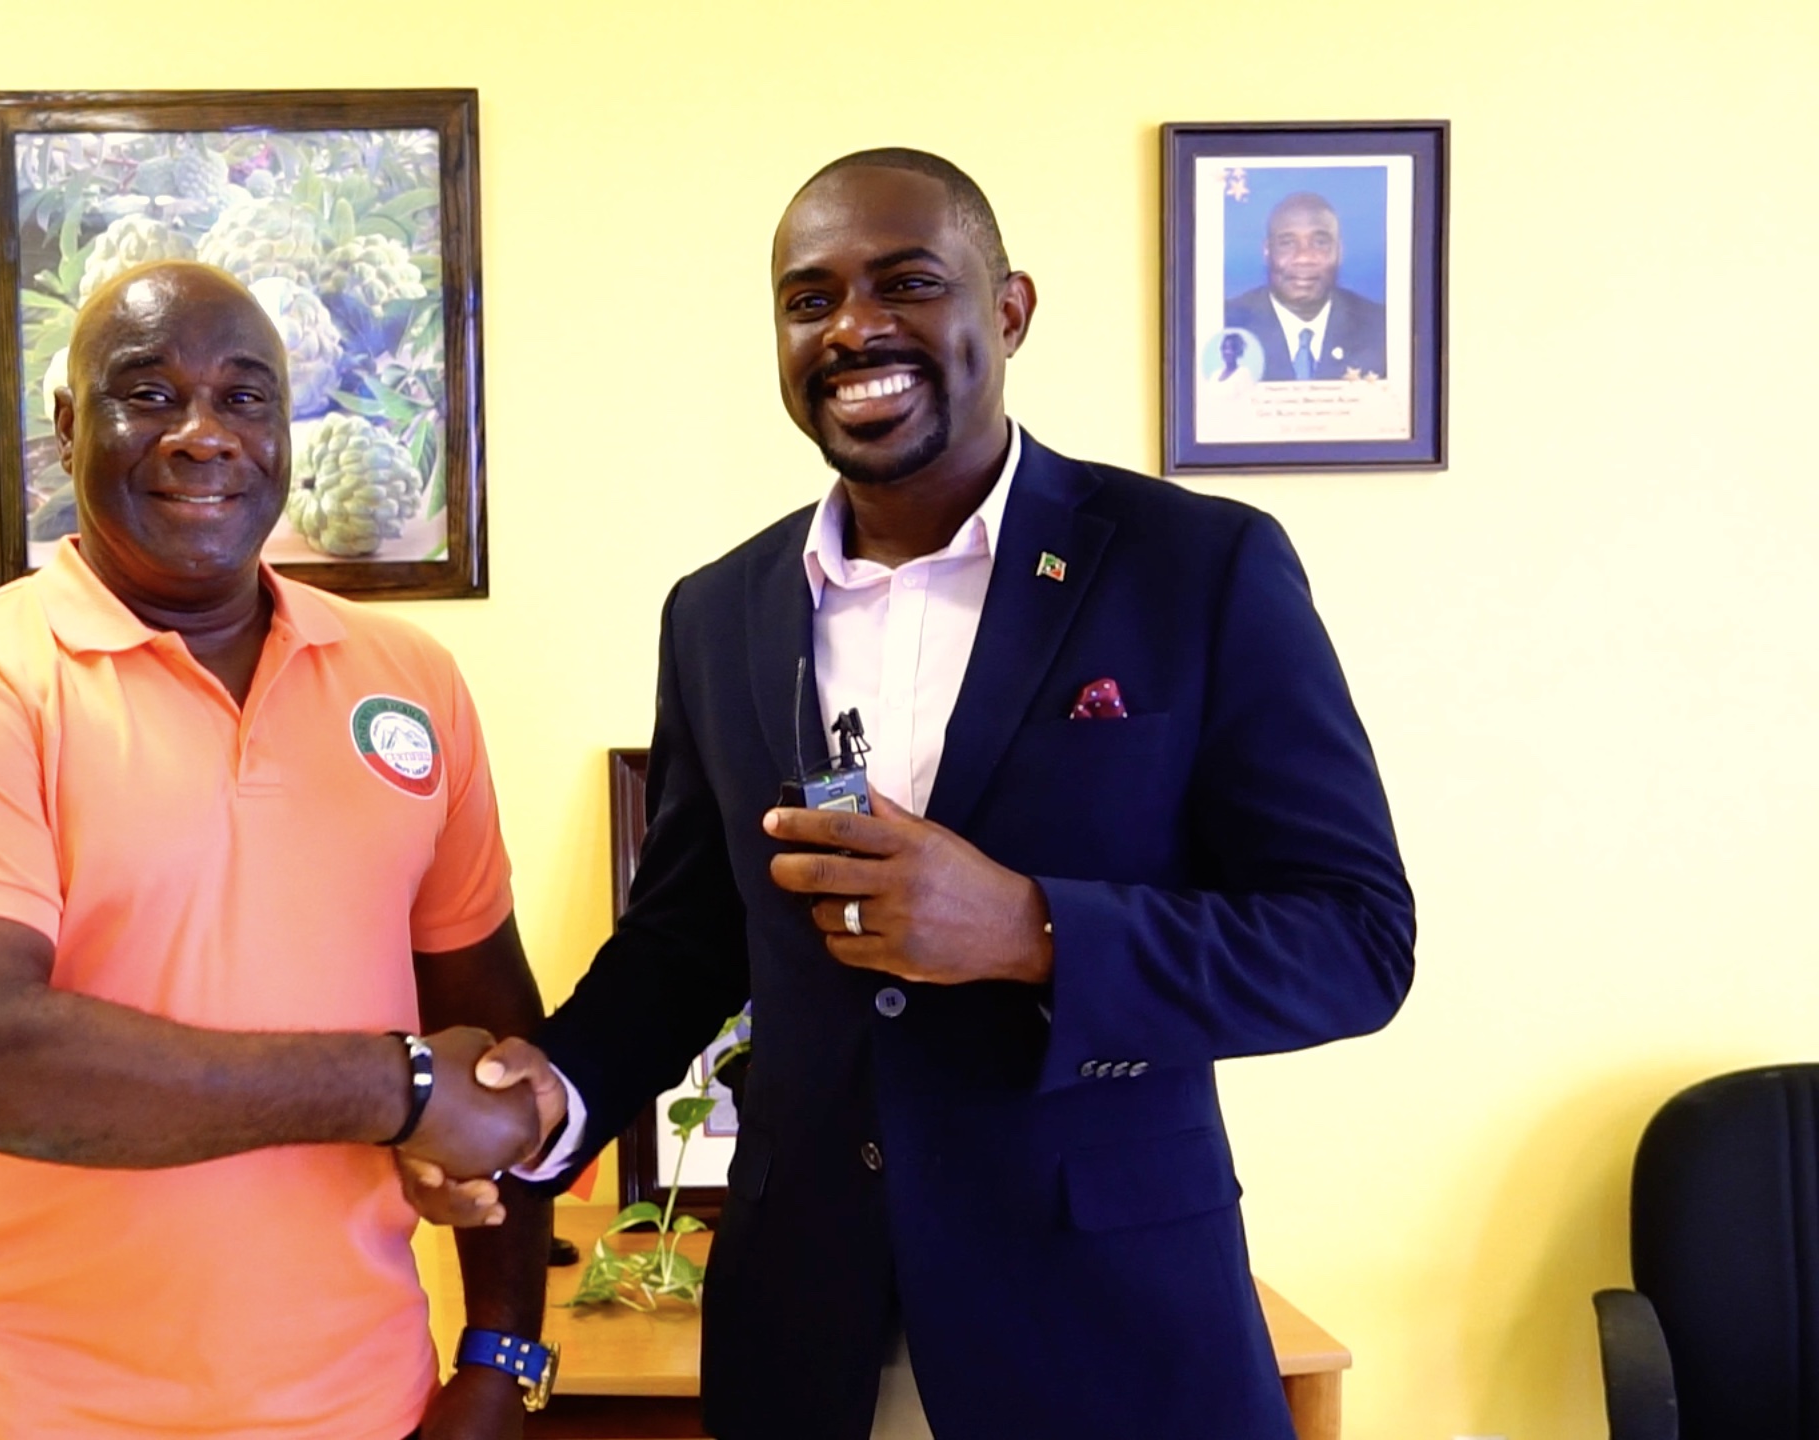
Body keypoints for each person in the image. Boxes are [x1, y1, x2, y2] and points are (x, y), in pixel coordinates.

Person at [415, 149, 1414, 1439]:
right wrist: (551, 1092)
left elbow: (1352, 940)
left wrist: (1029, 930)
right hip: (804, 1340)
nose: (852, 329)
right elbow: (686, 941)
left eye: (907, 282)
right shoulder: (717, 610)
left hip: (1109, 1340)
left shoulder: (1196, 568)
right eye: (807, 297)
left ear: (1007, 311)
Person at [0, 260, 552, 1440]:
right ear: (69, 427)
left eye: (244, 397)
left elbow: (496, 1039)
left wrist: (502, 1353)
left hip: (367, 1406)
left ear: (288, 430)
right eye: (148, 394)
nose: (203, 435)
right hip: (37, 1418)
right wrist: (397, 1086)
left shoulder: (409, 684)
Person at [1221, 191, 1390, 381]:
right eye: (1287, 243)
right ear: (1267, 251)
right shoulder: (1225, 324)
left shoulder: (1384, 329)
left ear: (1339, 251)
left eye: (1320, 243)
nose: (1304, 258)